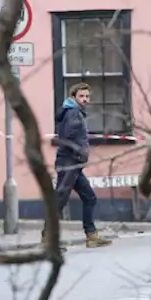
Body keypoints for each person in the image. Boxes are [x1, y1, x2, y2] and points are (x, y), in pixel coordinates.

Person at [48, 82, 113, 250]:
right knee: (60, 200)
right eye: (81, 96)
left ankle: (91, 236)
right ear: (73, 97)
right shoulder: (74, 113)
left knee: (89, 197)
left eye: (87, 96)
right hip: (69, 162)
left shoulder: (73, 112)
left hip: (73, 163)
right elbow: (68, 137)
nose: (85, 99)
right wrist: (79, 153)